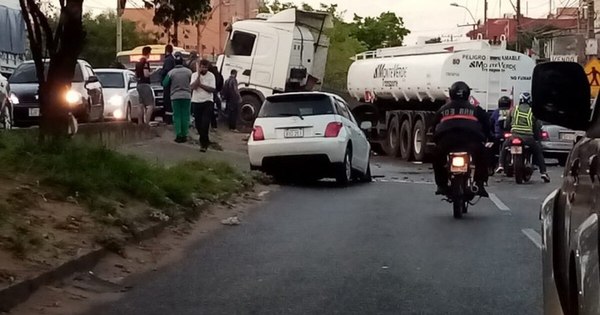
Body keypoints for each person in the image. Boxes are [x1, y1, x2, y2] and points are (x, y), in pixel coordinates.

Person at [432, 81, 492, 197]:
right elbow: (486, 124)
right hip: (471, 142)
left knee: (437, 158)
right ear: (468, 94)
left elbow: (433, 125)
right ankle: (479, 184)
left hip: (447, 142)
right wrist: (488, 137)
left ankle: (441, 185)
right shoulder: (475, 109)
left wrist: (435, 139)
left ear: (451, 94)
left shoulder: (443, 109)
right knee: (483, 156)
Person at [496, 92, 550, 182]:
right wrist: (537, 138)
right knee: (538, 152)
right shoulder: (533, 111)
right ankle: (543, 172)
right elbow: (536, 127)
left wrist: (509, 130)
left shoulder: (513, 109)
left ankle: (501, 165)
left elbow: (507, 123)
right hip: (528, 138)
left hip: (514, 136)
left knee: (504, 147)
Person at [162, 52, 193, 143]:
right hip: (187, 96)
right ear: (182, 62)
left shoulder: (171, 73)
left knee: (177, 116)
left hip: (175, 96)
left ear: (175, 63)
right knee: (186, 115)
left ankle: (178, 135)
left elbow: (164, 83)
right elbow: (192, 81)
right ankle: (185, 134)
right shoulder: (188, 72)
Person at [191, 59, 216, 152]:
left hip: (207, 101)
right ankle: (205, 139)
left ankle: (203, 145)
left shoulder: (211, 76)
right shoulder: (194, 75)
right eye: (202, 67)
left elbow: (212, 89)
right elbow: (192, 87)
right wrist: (197, 79)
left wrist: (200, 85)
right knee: (198, 124)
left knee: (205, 124)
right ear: (200, 67)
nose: (204, 69)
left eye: (206, 67)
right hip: (196, 101)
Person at [135, 46, 155, 124]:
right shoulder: (145, 62)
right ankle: (147, 123)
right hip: (145, 84)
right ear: (148, 53)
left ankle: (140, 123)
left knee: (141, 104)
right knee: (150, 105)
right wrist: (153, 72)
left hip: (139, 84)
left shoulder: (138, 62)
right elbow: (146, 74)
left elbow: (136, 74)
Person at [160, 45, 176, 125]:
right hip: (171, 84)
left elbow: (167, 71)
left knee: (167, 101)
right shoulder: (172, 59)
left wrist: (161, 72)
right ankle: (169, 119)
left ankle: (168, 120)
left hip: (168, 84)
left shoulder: (168, 60)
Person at [209, 64, 224, 130]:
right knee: (216, 105)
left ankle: (212, 123)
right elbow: (221, 84)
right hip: (215, 92)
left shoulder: (211, 75)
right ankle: (214, 124)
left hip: (210, 92)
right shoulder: (219, 75)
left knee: (210, 108)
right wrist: (218, 90)